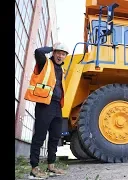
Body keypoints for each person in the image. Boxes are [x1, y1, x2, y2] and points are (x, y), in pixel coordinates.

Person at [24, 42, 69, 179]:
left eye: (63, 54)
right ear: (54, 53)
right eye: (58, 53)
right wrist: (52, 47)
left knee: (55, 136)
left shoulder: (62, 69)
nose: (60, 56)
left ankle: (51, 165)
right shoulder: (45, 63)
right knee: (40, 136)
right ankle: (34, 168)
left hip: (57, 106)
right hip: (44, 104)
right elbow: (38, 51)